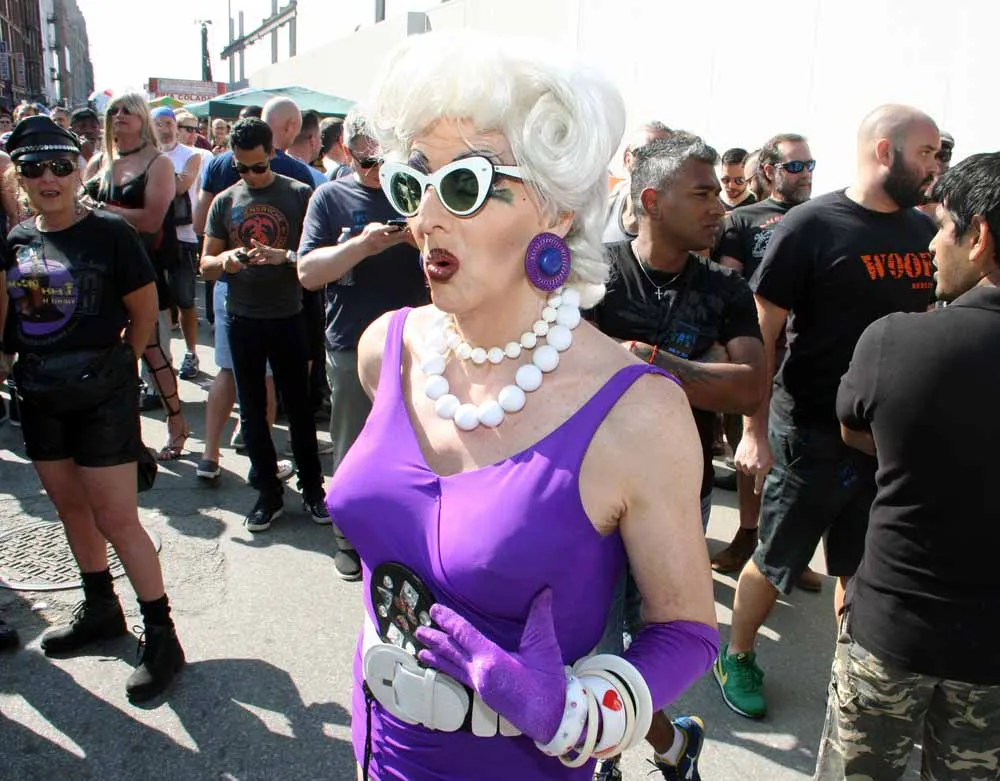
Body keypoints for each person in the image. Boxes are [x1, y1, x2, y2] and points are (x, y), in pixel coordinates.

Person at [323, 31, 720, 780]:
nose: (426, 218)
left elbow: (687, 630)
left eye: (464, 185)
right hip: (377, 748)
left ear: (557, 210)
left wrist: (581, 712)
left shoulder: (636, 413)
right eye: (413, 183)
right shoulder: (388, 349)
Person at [714, 105, 940, 721]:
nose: (934, 167)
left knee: (863, 563)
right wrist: (754, 431)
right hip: (810, 431)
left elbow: (925, 328)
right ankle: (737, 654)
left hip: (884, 438)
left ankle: (851, 662)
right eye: (925, 153)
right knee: (777, 558)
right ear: (885, 152)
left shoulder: (922, 232)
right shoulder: (811, 226)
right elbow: (763, 333)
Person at [816, 151, 1000, 781]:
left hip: (894, 631)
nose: (931, 246)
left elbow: (854, 430)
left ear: (980, 237)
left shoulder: (896, 340)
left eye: (943, 227)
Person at [590, 134, 765, 781]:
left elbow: (749, 387)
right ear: (652, 200)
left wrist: (651, 360)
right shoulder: (594, 275)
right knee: (591, 640)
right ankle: (620, 754)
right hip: (589, 493)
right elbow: (561, 375)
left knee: (653, 643)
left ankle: (657, 742)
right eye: (703, 193)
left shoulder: (725, 288)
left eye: (720, 191)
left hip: (677, 497)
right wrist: (702, 370)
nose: (720, 205)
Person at [0, 116, 184, 700]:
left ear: (78, 170)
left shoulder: (110, 234)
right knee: (71, 510)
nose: (48, 179)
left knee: (117, 519)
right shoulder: (17, 239)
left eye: (60, 166)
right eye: (34, 169)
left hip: (101, 397)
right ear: (19, 178)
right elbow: (11, 320)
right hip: (40, 395)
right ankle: (101, 607)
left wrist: (118, 370)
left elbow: (145, 313)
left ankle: (163, 636)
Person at [297, 108, 428, 580]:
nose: (377, 172)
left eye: (385, 161)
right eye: (368, 162)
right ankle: (346, 538)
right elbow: (308, 273)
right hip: (352, 341)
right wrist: (361, 246)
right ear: (346, 152)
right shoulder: (329, 196)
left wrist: (418, 240)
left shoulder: (413, 191)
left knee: (417, 444)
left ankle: (406, 536)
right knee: (352, 446)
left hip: (415, 340)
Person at [200, 118, 328, 530]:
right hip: (243, 317)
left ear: (272, 154)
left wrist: (285, 258)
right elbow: (206, 264)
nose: (250, 176)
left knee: (299, 410)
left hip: (290, 316)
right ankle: (268, 492)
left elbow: (320, 257)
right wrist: (227, 260)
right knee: (253, 412)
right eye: (241, 167)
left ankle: (313, 490)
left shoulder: (299, 193)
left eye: (257, 166)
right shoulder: (225, 201)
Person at [712, 133, 819, 588]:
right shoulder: (742, 221)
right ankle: (747, 533)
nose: (805, 173)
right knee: (749, 447)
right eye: (795, 166)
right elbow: (727, 283)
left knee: (796, 458)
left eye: (810, 165)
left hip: (805, 355)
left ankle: (788, 550)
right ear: (771, 170)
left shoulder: (821, 218)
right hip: (756, 350)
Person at [83, 92, 191, 462]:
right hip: (98, 272)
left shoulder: (158, 163)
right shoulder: (100, 161)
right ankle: (120, 432)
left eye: (127, 110)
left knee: (151, 350)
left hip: (140, 267)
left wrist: (100, 209)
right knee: (106, 353)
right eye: (113, 110)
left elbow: (150, 220)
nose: (119, 115)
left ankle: (177, 423)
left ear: (142, 117)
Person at [151, 106, 202, 380]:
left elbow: (181, 187)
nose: (165, 129)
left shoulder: (190, 155)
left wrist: (153, 176)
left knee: (185, 300)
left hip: (183, 238)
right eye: (159, 124)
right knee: (155, 304)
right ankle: (159, 360)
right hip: (151, 238)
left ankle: (191, 352)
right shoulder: (146, 154)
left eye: (169, 123)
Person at [603, 121, 672, 244]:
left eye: (667, 154)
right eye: (646, 152)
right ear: (628, 160)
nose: (656, 162)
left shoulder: (681, 220)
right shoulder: (605, 205)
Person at [286, 111, 328, 188]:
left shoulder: (271, 168)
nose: (321, 144)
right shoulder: (318, 179)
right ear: (312, 140)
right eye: (320, 137)